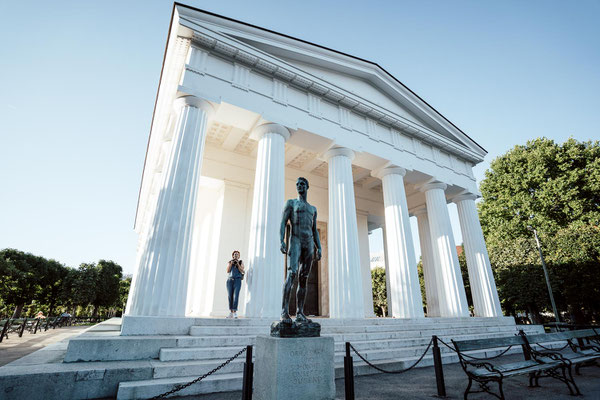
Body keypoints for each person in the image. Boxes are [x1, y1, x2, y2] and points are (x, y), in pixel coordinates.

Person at [279, 177, 322, 323]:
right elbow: (283, 222)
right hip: (295, 240)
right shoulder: (291, 203)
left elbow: (314, 229)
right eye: (297, 184)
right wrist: (282, 240)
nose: (299, 186)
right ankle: (284, 312)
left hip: (308, 242)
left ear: (307, 186)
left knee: (304, 278)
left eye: (302, 184)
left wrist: (319, 246)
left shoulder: (312, 209)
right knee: (291, 273)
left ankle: (300, 313)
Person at [226, 250, 244, 318]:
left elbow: (242, 270)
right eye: (235, 254)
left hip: (237, 280)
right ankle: (231, 312)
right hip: (230, 280)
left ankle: (235, 312)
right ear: (233, 255)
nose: (236, 255)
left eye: (237, 254)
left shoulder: (240, 262)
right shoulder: (230, 262)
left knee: (236, 296)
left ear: (239, 256)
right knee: (230, 296)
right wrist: (231, 263)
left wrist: (237, 264)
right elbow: (227, 270)